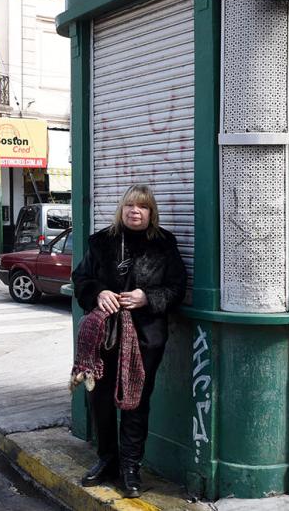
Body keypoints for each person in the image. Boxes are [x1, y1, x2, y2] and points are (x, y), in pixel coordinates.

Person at [71, 184, 187, 498]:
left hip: (146, 336)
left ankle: (131, 466)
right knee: (101, 399)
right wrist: (99, 292)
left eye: (142, 207)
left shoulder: (164, 244)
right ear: (122, 210)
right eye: (129, 206)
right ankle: (107, 459)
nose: (135, 212)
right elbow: (80, 279)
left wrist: (147, 297)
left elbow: (177, 288)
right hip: (105, 336)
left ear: (151, 212)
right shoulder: (101, 242)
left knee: (136, 401)